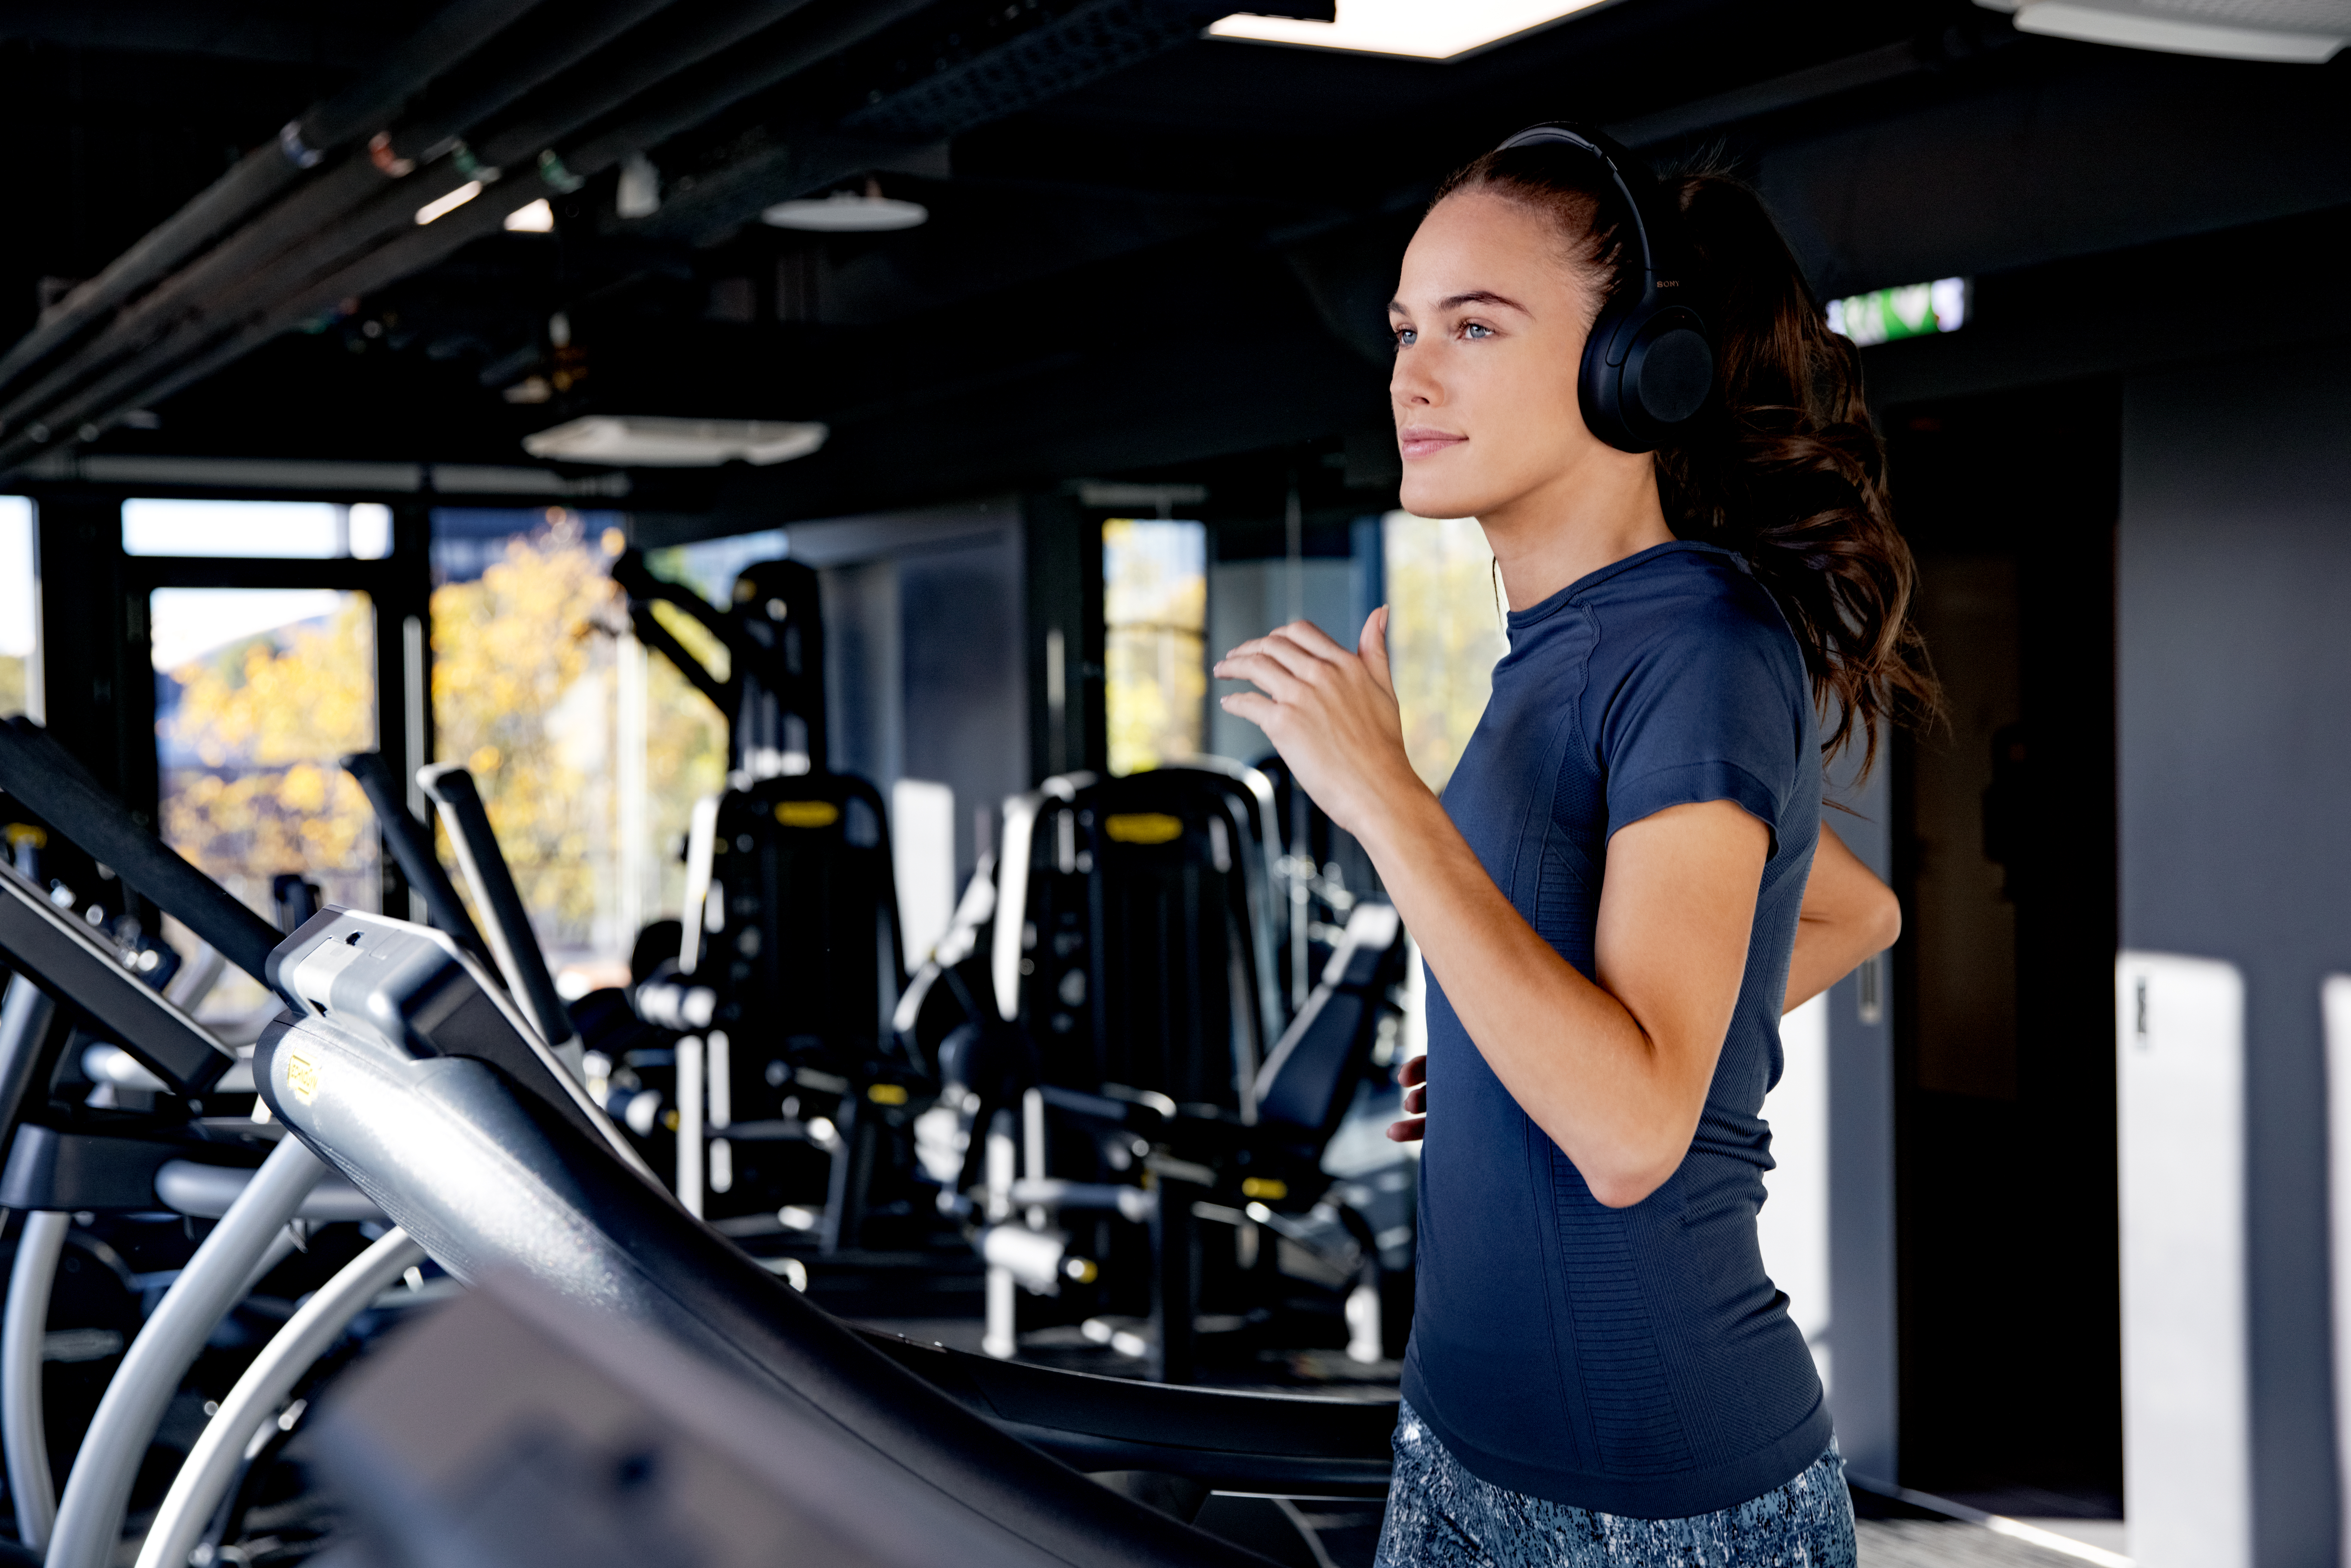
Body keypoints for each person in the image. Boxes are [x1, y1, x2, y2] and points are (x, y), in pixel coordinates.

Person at [1213, 127, 1933, 1566]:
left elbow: (1629, 1136)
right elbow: (1853, 914)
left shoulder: (1699, 648)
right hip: (1460, 1444)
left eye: (1475, 327)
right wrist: (1505, 1048)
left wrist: (1390, 802)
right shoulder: (1560, 647)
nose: (1413, 373)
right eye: (1409, 329)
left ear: (1635, 368)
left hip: (1650, 1505)